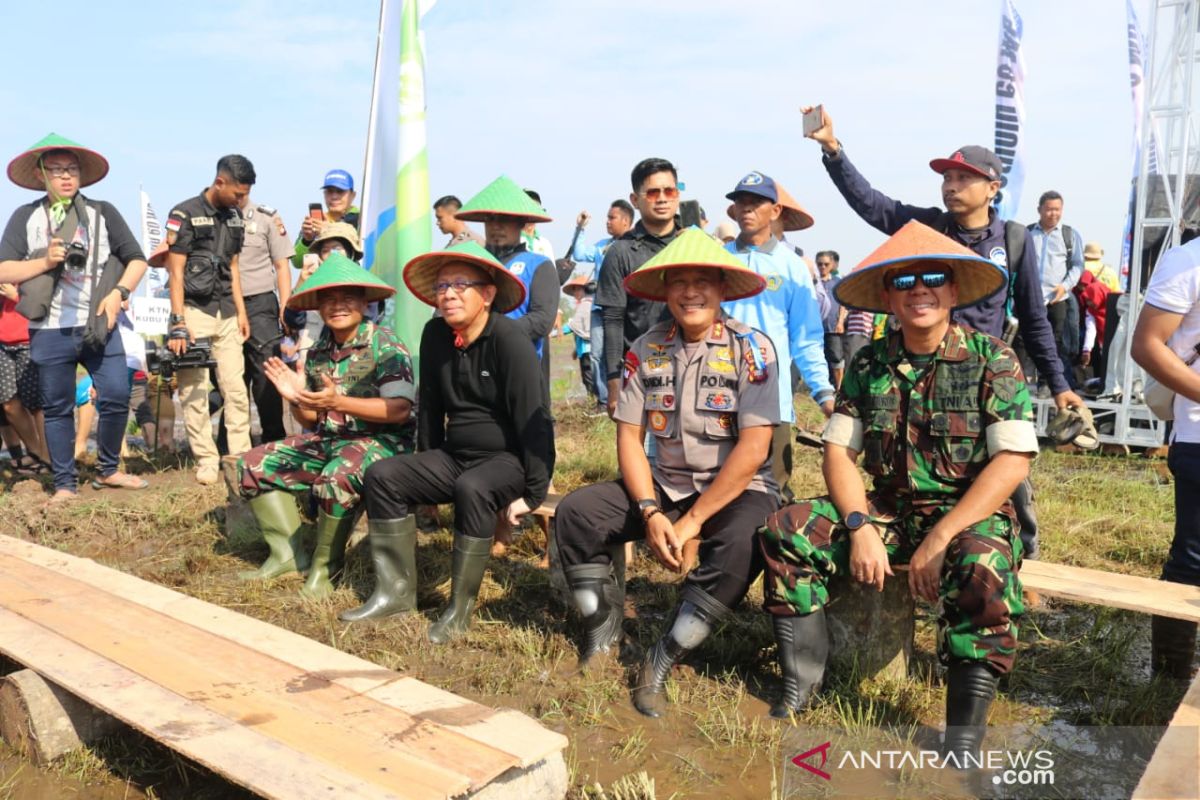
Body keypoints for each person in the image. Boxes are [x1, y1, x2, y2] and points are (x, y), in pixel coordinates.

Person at [759, 222, 1035, 765]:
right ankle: (802, 687)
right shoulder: (868, 362)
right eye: (904, 280)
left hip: (968, 518)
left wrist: (942, 534)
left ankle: (961, 742)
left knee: (983, 567)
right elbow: (838, 452)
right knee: (785, 529)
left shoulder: (993, 359)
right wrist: (859, 527)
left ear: (954, 291)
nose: (919, 288)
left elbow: (1012, 462)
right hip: (886, 512)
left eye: (934, 277)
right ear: (887, 297)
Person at [804, 106, 1083, 564]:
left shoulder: (1013, 241)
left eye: (963, 179)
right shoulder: (928, 230)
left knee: (1008, 477)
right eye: (947, 179)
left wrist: (1062, 385)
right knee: (908, 469)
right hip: (915, 370)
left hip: (980, 378)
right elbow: (874, 205)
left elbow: (1034, 320)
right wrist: (833, 151)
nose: (951, 187)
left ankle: (1022, 566)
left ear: (993, 188)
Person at [554, 229, 780, 717]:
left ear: (722, 289)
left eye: (703, 281)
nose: (691, 291)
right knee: (577, 513)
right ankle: (602, 632)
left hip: (737, 490)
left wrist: (692, 522)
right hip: (666, 483)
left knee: (743, 543)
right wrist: (650, 510)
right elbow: (629, 440)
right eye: (679, 281)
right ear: (665, 291)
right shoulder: (645, 348)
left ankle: (662, 657)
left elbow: (755, 448)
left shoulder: (753, 349)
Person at [341, 241, 554, 645]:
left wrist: (534, 491)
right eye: (442, 287)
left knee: (472, 486)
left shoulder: (509, 340)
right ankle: (394, 593)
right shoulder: (435, 334)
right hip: (456, 456)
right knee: (383, 475)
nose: (449, 294)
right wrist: (426, 470)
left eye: (460, 284)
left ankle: (459, 608)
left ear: (487, 294)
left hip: (505, 460)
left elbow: (536, 421)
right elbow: (431, 406)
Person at [236, 252, 415, 597]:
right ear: (318, 307)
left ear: (364, 302)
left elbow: (399, 410)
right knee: (254, 463)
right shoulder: (319, 350)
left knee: (337, 478)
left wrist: (339, 402)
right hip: (331, 439)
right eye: (328, 300)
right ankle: (288, 556)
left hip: (384, 443)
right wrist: (296, 396)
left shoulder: (385, 344)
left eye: (347, 298)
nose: (337, 306)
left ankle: (325, 570)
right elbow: (313, 417)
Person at [0, 133, 148, 500]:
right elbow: (4, 270)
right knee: (57, 407)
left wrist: (120, 293)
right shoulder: (26, 217)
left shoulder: (103, 212)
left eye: (71, 169)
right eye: (56, 170)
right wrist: (46, 261)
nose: (66, 177)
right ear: (41, 176)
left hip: (99, 319)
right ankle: (65, 484)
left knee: (115, 392)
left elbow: (137, 259)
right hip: (48, 327)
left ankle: (108, 469)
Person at [721, 171, 833, 503]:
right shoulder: (719, 258)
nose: (746, 209)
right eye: (741, 202)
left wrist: (823, 391)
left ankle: (772, 550)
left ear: (775, 211)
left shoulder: (792, 267)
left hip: (773, 395)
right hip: (720, 388)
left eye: (756, 202)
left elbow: (806, 336)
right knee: (718, 481)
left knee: (774, 487)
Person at [1131, 233, 1200, 680]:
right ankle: (1170, 679)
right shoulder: (1188, 262)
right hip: (1199, 432)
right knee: (1193, 560)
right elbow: (1147, 344)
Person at [163, 155, 254, 485]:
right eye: (238, 194)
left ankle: (240, 459)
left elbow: (233, 268)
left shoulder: (236, 217)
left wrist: (242, 313)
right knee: (194, 391)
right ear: (220, 183)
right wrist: (178, 323)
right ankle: (205, 459)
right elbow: (174, 272)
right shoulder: (183, 213)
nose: (242, 200)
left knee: (236, 389)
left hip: (227, 312)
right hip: (193, 311)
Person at [597, 158, 685, 417]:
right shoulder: (621, 252)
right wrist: (613, 382)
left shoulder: (692, 245)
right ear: (635, 200)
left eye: (669, 191)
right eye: (652, 192)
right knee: (644, 453)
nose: (662, 199)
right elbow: (612, 321)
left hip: (693, 367)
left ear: (677, 195)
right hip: (641, 370)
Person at [226, 194, 291, 446]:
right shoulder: (214, 217)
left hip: (260, 304)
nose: (237, 196)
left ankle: (273, 439)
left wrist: (285, 304)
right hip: (225, 305)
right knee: (230, 377)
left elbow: (282, 265)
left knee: (267, 374)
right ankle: (231, 443)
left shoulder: (266, 217)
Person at [573, 201, 635, 408]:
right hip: (601, 307)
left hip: (626, 308)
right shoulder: (602, 246)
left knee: (626, 352)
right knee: (597, 354)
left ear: (626, 221)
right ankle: (604, 400)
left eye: (612, 218)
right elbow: (579, 253)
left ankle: (627, 397)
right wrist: (580, 228)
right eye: (607, 218)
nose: (608, 222)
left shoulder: (635, 246)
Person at [1026, 190, 1085, 389]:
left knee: (1055, 343)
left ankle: (1047, 383)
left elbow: (1078, 265)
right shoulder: (1027, 233)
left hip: (1057, 298)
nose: (1053, 214)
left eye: (1057, 209)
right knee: (1024, 341)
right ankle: (1023, 382)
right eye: (1049, 209)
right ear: (1039, 210)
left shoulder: (1070, 235)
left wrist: (1065, 286)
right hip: (1030, 298)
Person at [0, 281, 47, 470]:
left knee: (36, 404)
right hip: (3, 342)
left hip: (29, 340)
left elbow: (45, 305)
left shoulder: (31, 270)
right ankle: (35, 452)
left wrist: (16, 297)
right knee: (9, 403)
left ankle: (47, 457)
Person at [292, 169, 360, 268]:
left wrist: (328, 230)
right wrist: (307, 240)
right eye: (329, 191)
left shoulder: (363, 219)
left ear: (353, 195)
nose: (334, 196)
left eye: (340, 191)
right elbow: (297, 263)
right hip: (324, 280)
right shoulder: (315, 222)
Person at [563, 274, 597, 405]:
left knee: (588, 377)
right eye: (574, 289)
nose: (575, 292)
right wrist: (575, 349)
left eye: (578, 289)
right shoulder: (589, 305)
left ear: (585, 289)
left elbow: (573, 327)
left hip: (588, 349)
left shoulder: (586, 305)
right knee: (589, 377)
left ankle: (593, 402)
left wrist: (552, 332)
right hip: (585, 348)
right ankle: (593, 400)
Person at [815, 251, 844, 388]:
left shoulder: (837, 282)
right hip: (816, 328)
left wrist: (841, 322)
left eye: (826, 264)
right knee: (819, 358)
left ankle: (839, 388)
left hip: (833, 327)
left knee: (836, 358)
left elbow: (843, 304)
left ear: (832, 265)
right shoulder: (813, 282)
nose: (822, 267)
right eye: (820, 264)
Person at [521, 189, 556, 261]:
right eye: (528, 209)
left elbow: (551, 271)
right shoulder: (511, 241)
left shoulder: (545, 244)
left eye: (535, 210)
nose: (531, 214)